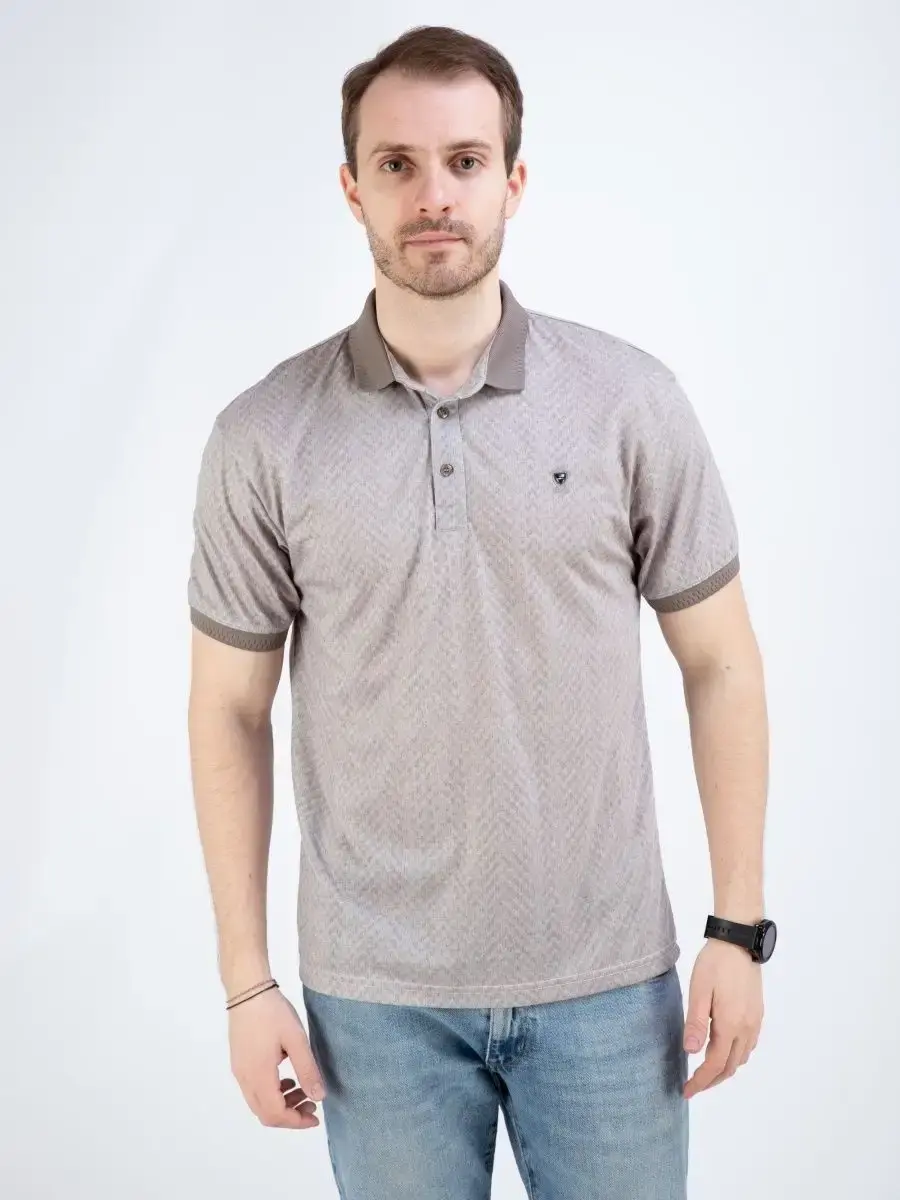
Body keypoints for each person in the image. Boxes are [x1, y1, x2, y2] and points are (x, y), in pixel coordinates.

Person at [186, 23, 774, 1200]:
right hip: (375, 1004)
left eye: (464, 160)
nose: (433, 195)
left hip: (610, 982)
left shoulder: (628, 402)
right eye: (397, 164)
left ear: (514, 180)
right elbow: (227, 712)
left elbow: (721, 663)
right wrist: (248, 985)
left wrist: (738, 927)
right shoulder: (265, 437)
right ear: (352, 188)